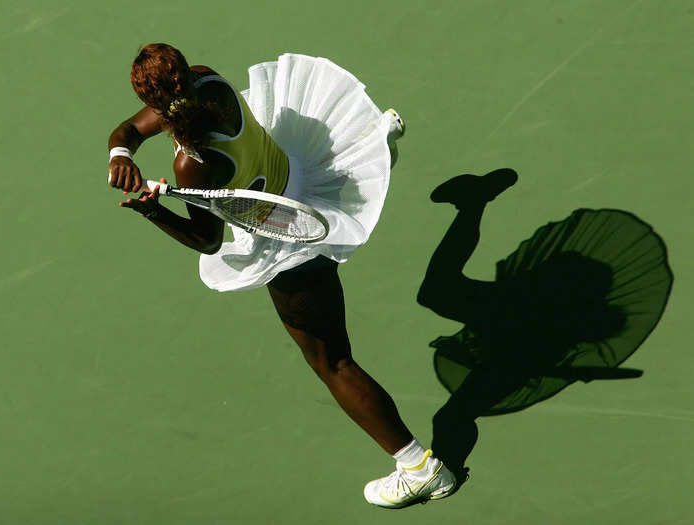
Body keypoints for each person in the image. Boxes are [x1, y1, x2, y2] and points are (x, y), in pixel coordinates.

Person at [107, 43, 458, 508]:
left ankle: (420, 470)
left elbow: (207, 241)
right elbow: (130, 129)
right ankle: (372, 145)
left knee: (333, 363)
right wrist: (120, 152)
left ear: (157, 102)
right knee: (347, 184)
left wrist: (155, 213)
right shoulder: (209, 80)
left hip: (285, 237)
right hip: (300, 177)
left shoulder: (192, 163)